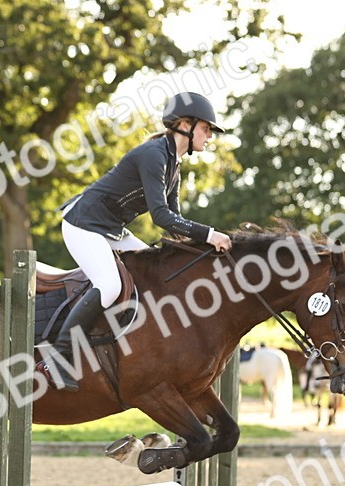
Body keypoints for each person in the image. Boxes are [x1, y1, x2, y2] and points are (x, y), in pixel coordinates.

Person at [36, 91, 233, 392]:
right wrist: (210, 234)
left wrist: (204, 250)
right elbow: (162, 217)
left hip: (112, 229)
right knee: (110, 284)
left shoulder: (173, 163)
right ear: (185, 125)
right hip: (83, 224)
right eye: (207, 129)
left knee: (155, 267)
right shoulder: (154, 154)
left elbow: (175, 223)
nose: (209, 137)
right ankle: (58, 356)